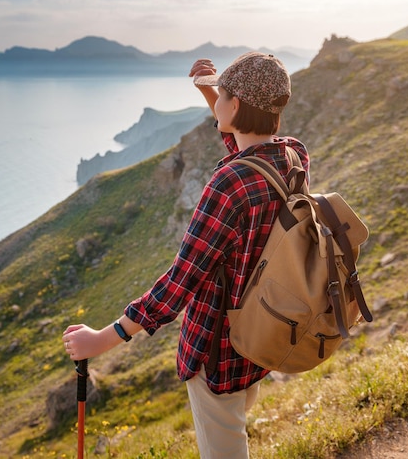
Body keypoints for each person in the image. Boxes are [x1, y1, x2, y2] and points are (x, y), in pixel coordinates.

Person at [62, 52, 310, 458]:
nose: (219, 100)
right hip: (262, 332)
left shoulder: (229, 185)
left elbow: (181, 282)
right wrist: (212, 93)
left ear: (237, 106)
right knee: (235, 431)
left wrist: (103, 340)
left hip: (217, 349)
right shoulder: (291, 156)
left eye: (224, 94)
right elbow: (245, 149)